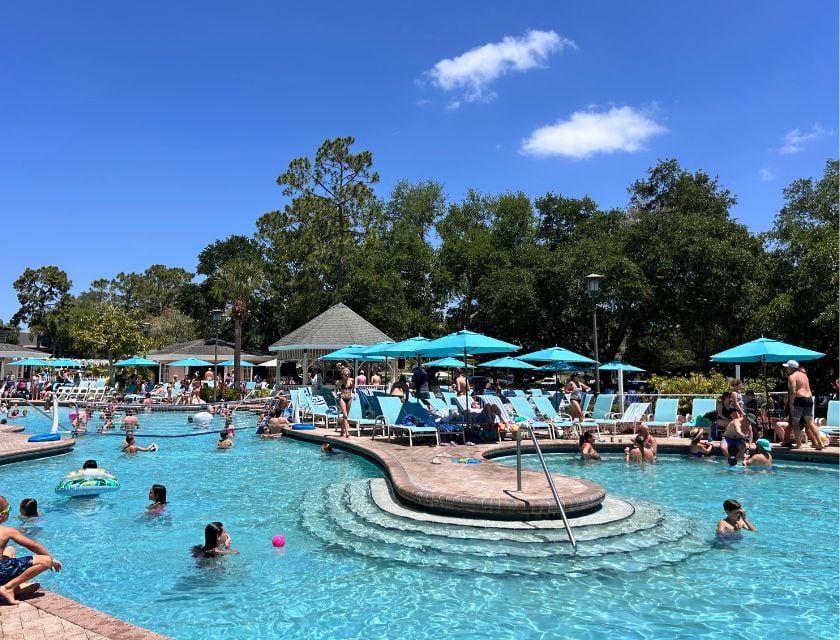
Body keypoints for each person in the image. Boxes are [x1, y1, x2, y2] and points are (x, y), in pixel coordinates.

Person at [0, 495, 62, 604]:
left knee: (10, 549)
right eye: (9, 509)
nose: (10, 511)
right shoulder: (7, 531)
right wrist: (53, 560)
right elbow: (34, 545)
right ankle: (8, 588)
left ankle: (13, 584)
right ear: (2, 514)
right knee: (45, 561)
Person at [784, 360, 822, 450]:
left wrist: (791, 403)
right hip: (809, 399)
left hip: (799, 400)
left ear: (792, 368)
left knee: (795, 423)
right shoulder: (804, 375)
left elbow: (793, 391)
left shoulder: (792, 376)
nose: (786, 369)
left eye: (787, 367)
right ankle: (820, 443)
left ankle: (799, 445)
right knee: (810, 422)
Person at [337, 367, 354, 438]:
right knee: (345, 415)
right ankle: (347, 432)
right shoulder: (340, 382)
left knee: (345, 416)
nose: (347, 375)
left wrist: (354, 394)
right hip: (342, 398)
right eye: (346, 374)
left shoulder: (352, 380)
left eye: (348, 374)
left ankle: (341, 431)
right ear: (343, 374)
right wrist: (335, 395)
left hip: (349, 398)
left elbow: (354, 388)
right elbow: (335, 390)